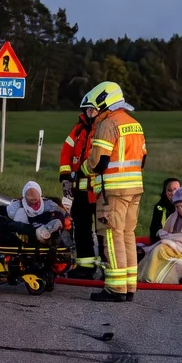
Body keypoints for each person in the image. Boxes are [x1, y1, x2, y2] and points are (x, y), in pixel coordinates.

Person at [79, 81, 146, 302]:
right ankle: (129, 286)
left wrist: (83, 170)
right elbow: (143, 159)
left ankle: (115, 289)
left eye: (92, 110)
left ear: (104, 105)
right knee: (127, 235)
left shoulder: (108, 125)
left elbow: (98, 161)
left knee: (112, 236)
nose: (90, 115)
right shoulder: (134, 124)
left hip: (113, 192)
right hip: (134, 189)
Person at [59, 108, 99, 277]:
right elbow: (66, 152)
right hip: (81, 191)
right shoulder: (78, 129)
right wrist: (66, 177)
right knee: (81, 228)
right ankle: (85, 267)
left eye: (95, 109)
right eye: (89, 109)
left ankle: (108, 269)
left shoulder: (105, 127)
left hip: (100, 192)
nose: (92, 112)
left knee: (104, 232)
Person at [149, 178, 181, 243]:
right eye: (169, 190)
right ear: (165, 192)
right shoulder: (160, 207)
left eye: (176, 190)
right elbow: (154, 230)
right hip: (163, 242)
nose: (173, 193)